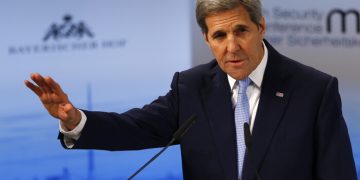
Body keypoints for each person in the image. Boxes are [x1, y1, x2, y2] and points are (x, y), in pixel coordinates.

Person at [25, 0, 357, 179]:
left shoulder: (313, 90)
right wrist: (74, 120)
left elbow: (337, 172)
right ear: (206, 39)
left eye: (240, 31)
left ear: (261, 27)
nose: (232, 47)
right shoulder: (192, 87)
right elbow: (135, 128)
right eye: (219, 36)